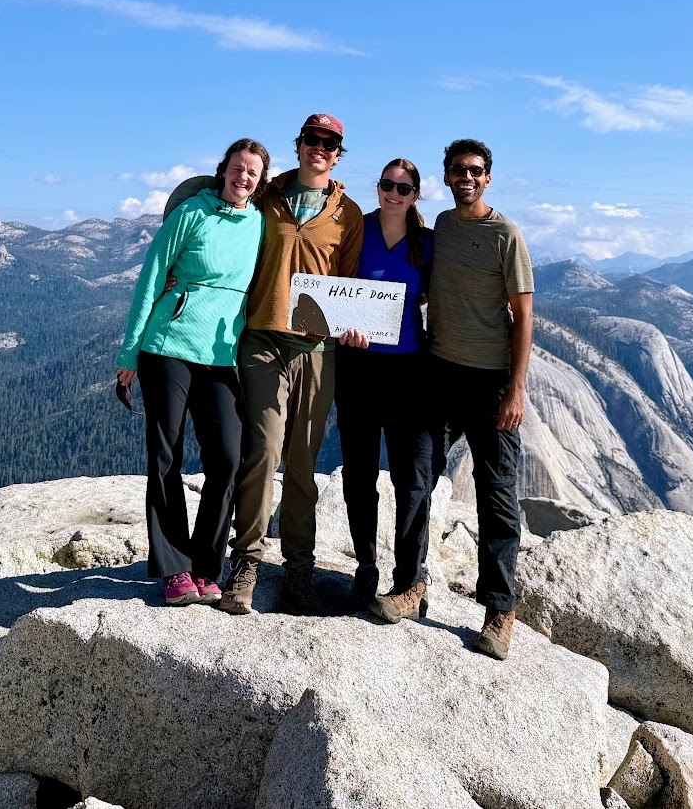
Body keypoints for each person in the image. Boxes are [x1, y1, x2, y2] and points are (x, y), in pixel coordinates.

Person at [370, 138, 533, 660]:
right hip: (437, 369)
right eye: (458, 170)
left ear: (488, 178)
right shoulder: (441, 226)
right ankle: (410, 586)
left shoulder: (506, 235)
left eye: (476, 170)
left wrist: (516, 389)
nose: (467, 177)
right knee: (414, 478)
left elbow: (524, 315)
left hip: (489, 381)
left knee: (495, 494)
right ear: (446, 177)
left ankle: (499, 610)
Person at [217, 113, 364, 616]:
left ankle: (299, 569)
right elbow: (221, 206)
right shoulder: (267, 196)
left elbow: (349, 286)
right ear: (298, 146)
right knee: (263, 449)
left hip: (318, 351)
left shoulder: (350, 215)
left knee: (302, 462)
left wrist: (356, 326)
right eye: (312, 140)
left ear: (338, 153)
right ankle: (247, 562)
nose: (319, 148)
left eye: (330, 143)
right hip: (262, 340)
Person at [115, 139, 269, 607]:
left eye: (253, 173)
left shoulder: (259, 224)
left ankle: (206, 564)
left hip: (221, 355)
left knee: (227, 456)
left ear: (259, 182)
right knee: (166, 453)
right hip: (168, 345)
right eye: (238, 169)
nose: (243, 178)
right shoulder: (190, 215)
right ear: (223, 171)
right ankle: (174, 569)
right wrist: (129, 355)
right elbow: (151, 277)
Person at [334, 159, 434, 611]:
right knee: (359, 473)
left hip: (409, 371)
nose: (393, 193)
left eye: (403, 187)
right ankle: (365, 569)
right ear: (377, 188)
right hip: (357, 366)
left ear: (416, 194)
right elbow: (331, 285)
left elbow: (446, 292)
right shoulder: (358, 228)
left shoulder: (427, 243)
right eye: (387, 185)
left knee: (412, 477)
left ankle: (410, 579)